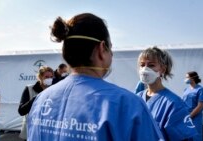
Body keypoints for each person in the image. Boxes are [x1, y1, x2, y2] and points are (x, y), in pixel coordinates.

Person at [27, 13, 163, 141]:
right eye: (111, 48)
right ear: (102, 48)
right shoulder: (127, 105)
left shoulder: (41, 100)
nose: (112, 55)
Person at [136, 46, 198, 140]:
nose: (145, 69)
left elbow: (183, 137)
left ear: (163, 70)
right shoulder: (137, 98)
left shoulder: (174, 104)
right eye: (142, 65)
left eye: (151, 65)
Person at [18, 66, 54, 140]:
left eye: (51, 77)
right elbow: (21, 111)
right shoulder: (29, 89)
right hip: (31, 131)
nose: (49, 79)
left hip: (47, 131)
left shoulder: (54, 90)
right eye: (46, 76)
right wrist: (37, 98)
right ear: (40, 77)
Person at [183, 71, 203, 141]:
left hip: (195, 118)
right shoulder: (186, 90)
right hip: (186, 118)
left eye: (187, 77)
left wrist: (190, 116)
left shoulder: (201, 90)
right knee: (187, 137)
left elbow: (200, 106)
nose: (185, 79)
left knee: (196, 137)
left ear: (193, 78)